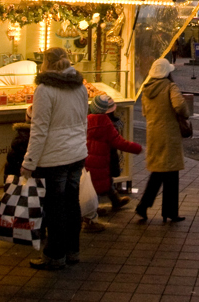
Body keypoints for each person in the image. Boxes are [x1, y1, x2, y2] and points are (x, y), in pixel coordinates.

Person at [22, 47, 89, 269]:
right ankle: (73, 250)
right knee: (71, 204)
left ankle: (54, 255)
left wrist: (29, 162)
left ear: (46, 63)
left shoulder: (44, 89)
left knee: (55, 207)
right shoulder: (80, 86)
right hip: (77, 154)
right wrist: (81, 146)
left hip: (54, 158)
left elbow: (39, 129)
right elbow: (83, 120)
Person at [135, 57, 191, 223]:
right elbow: (180, 106)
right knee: (171, 174)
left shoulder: (147, 89)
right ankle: (167, 211)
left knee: (159, 172)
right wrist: (185, 114)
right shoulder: (170, 87)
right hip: (169, 134)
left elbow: (145, 112)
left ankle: (146, 207)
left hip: (153, 134)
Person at [85, 94, 142, 211]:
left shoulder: (86, 121)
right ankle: (94, 210)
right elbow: (120, 143)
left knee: (91, 185)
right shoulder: (106, 125)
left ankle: (98, 206)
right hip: (103, 162)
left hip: (87, 161)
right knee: (106, 182)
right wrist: (137, 148)